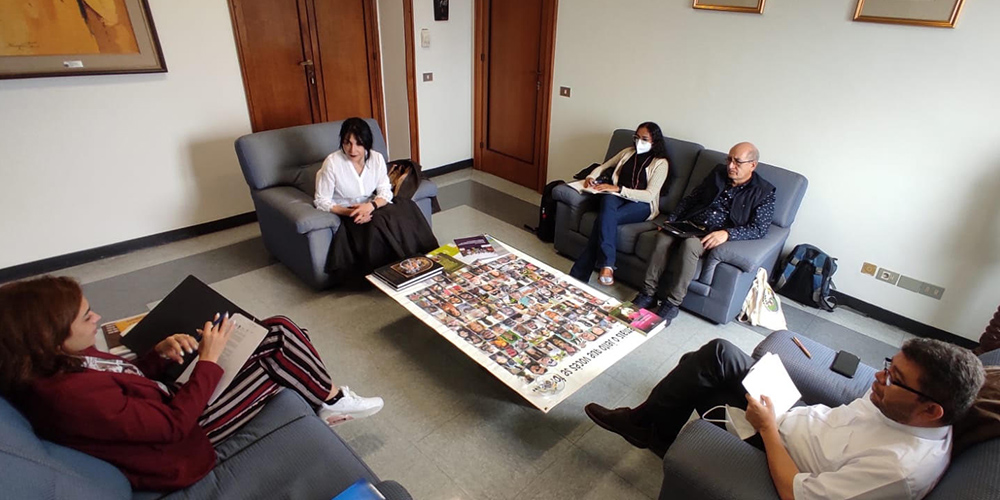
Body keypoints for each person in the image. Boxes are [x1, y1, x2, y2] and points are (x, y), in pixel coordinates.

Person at [0, 276, 384, 491]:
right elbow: (171, 427)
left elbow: (121, 381)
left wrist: (157, 354)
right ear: (50, 337)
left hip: (166, 404)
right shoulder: (70, 395)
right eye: (86, 317)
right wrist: (209, 361)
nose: (97, 317)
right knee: (279, 351)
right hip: (185, 438)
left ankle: (325, 398)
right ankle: (329, 399)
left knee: (279, 331)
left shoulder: (58, 361)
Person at [585, 337, 985, 500]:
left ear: (932, 409)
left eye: (894, 378)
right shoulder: (900, 405)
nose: (879, 378)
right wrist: (782, 411)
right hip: (793, 416)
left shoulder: (897, 468)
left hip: (776, 446)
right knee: (713, 357)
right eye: (887, 367)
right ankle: (651, 426)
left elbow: (797, 493)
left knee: (703, 369)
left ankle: (648, 426)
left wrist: (768, 427)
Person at [633, 141, 775, 324]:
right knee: (662, 238)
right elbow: (692, 199)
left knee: (690, 245)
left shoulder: (764, 191)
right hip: (690, 223)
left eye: (737, 162)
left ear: (752, 165)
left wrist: (727, 234)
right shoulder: (717, 173)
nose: (730, 166)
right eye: (729, 159)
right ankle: (648, 294)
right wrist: (672, 221)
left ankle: (672, 303)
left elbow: (759, 228)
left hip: (713, 233)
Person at [314, 117, 438, 282]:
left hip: (372, 204)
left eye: (358, 143)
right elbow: (322, 200)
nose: (352, 149)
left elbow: (385, 191)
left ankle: (428, 258)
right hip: (349, 210)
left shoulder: (376, 158)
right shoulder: (333, 163)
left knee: (406, 207)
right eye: (347, 143)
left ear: (366, 143)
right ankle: (396, 273)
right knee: (377, 223)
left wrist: (371, 206)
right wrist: (352, 212)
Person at [569, 122, 671, 286]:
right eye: (637, 138)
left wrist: (618, 188)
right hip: (616, 196)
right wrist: (590, 177)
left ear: (655, 142)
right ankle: (606, 266)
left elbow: (649, 195)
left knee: (603, 219)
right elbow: (604, 166)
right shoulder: (628, 153)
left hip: (641, 203)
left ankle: (580, 275)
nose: (639, 142)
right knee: (607, 203)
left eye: (644, 139)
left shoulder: (661, 163)